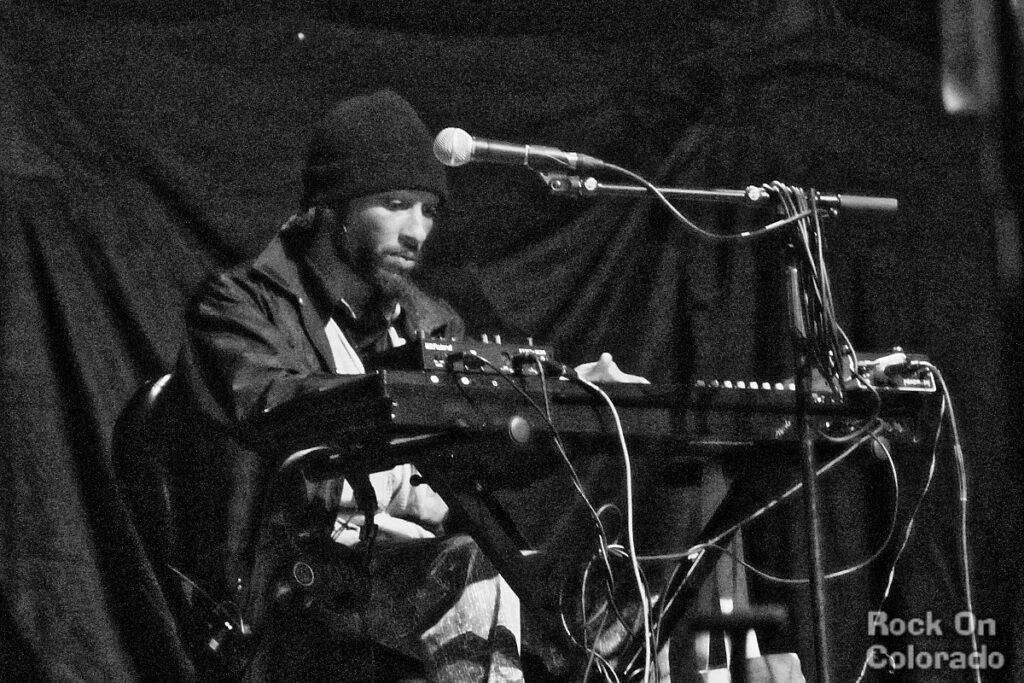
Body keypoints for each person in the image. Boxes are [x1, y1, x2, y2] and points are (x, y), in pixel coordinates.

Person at [172, 89, 646, 682]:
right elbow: (269, 405)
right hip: (302, 583)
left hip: (417, 558)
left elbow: (485, 458)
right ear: (332, 208)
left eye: (429, 210)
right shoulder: (239, 306)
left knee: (614, 595)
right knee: (469, 572)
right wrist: (401, 400)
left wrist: (566, 401)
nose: (417, 231)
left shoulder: (430, 323)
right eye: (396, 205)